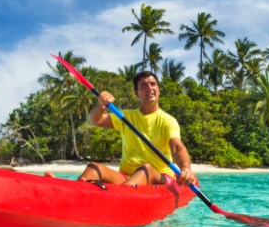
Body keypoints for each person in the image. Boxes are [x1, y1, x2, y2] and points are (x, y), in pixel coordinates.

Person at [47, 71, 196, 187]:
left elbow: (177, 148)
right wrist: (101, 105)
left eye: (153, 84)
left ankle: (114, 202)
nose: (149, 88)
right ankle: (69, 194)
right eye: (144, 85)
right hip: (128, 177)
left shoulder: (168, 120)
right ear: (137, 94)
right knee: (93, 167)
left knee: (146, 169)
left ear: (158, 90)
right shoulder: (126, 117)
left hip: (161, 176)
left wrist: (185, 168)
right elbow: (93, 120)